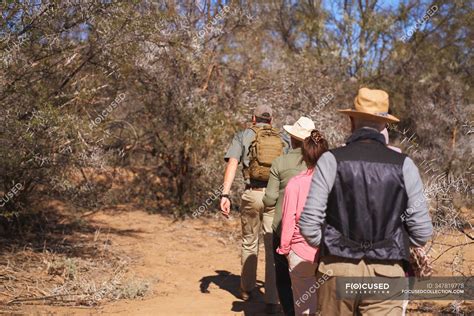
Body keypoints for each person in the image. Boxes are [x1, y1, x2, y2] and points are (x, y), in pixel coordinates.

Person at [299, 88, 433, 315]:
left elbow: (309, 224)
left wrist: (334, 245)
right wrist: (391, 244)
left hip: (336, 269)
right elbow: (421, 232)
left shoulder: (331, 160)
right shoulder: (404, 165)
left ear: (351, 120)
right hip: (387, 274)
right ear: (385, 124)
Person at [220, 104, 287, 314]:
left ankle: (247, 291)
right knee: (271, 246)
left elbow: (232, 163)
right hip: (274, 196)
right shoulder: (282, 138)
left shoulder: (243, 135)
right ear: (272, 119)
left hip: (252, 194)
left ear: (253, 118)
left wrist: (225, 194)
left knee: (249, 242)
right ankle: (272, 298)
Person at [262, 116, 315, 316]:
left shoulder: (280, 162)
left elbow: (270, 199)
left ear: (292, 138)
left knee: (283, 277)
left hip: (283, 228)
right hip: (312, 232)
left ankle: (289, 311)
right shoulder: (320, 163)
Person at [276, 129, 329, 316]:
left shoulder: (295, 183)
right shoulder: (334, 183)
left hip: (300, 251)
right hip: (328, 252)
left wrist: (284, 249)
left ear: (304, 156)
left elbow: (288, 219)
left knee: (305, 309)